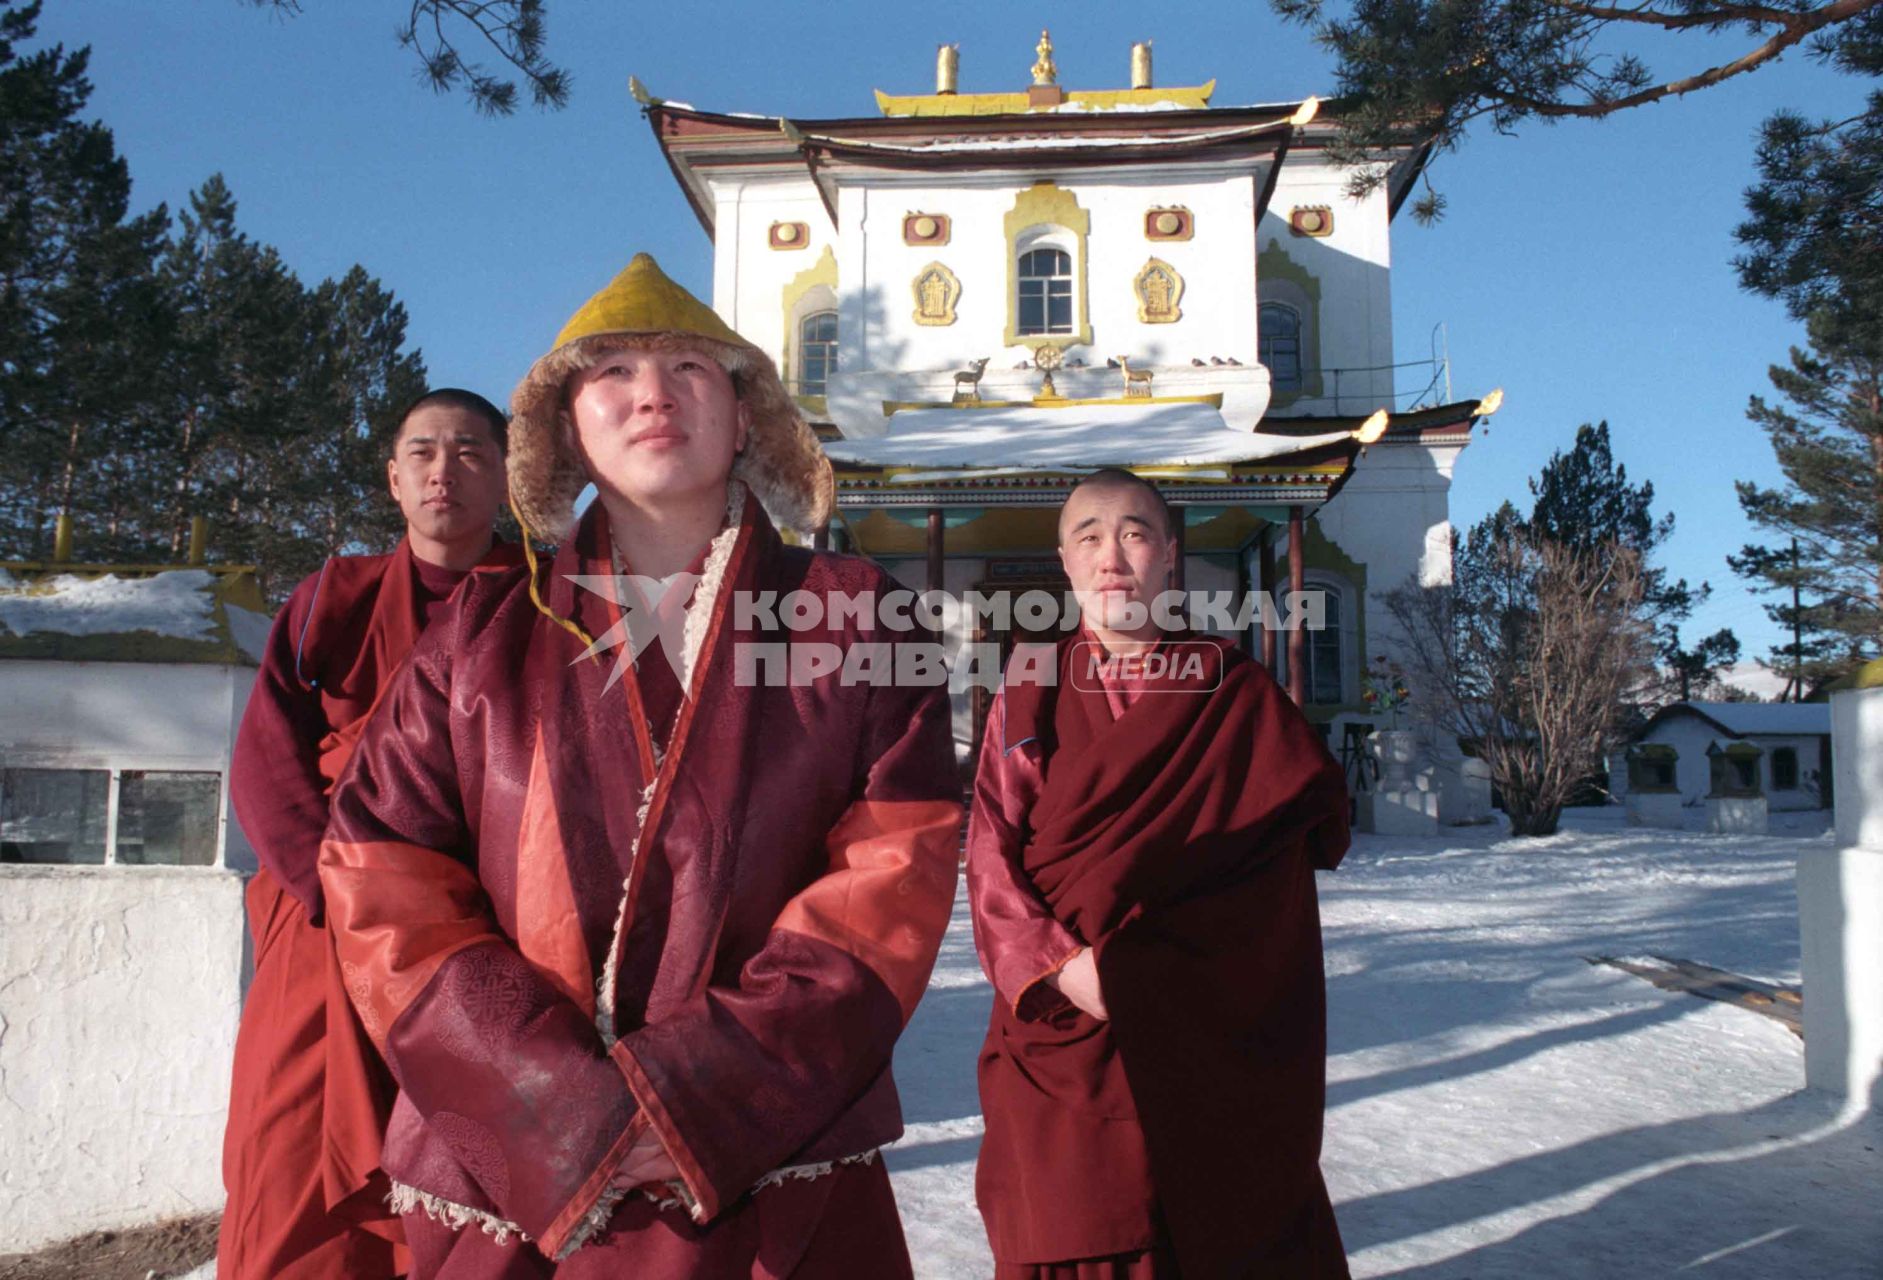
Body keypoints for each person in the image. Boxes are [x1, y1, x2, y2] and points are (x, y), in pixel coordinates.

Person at [317, 254, 962, 1276]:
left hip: (766, 1148)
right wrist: (554, 1102)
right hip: (515, 1175)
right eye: (611, 371)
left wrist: (700, 1095)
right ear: (565, 425)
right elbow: (379, 874)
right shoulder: (477, 631)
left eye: (691, 370)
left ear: (747, 418)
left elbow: (897, 869)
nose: (652, 392)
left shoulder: (855, 611)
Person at [968, 468, 1353, 1279]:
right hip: (1066, 1021)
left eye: (1136, 534)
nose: (1113, 556)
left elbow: (1278, 864)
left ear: (1169, 558)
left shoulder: (1231, 693)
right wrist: (1061, 969)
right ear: (1065, 563)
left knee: (1221, 1222)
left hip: (1208, 1019)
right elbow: (991, 853)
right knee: (1071, 1210)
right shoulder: (1028, 687)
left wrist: (1179, 965)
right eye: (1090, 537)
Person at [219, 389, 522, 1279]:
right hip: (323, 919)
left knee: (474, 1165)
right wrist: (341, 895)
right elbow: (268, 760)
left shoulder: (543, 605)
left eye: (470, 452)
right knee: (289, 1155)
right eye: (423, 451)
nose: (444, 470)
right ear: (393, 479)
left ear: (505, 477)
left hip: (475, 927)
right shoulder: (332, 597)